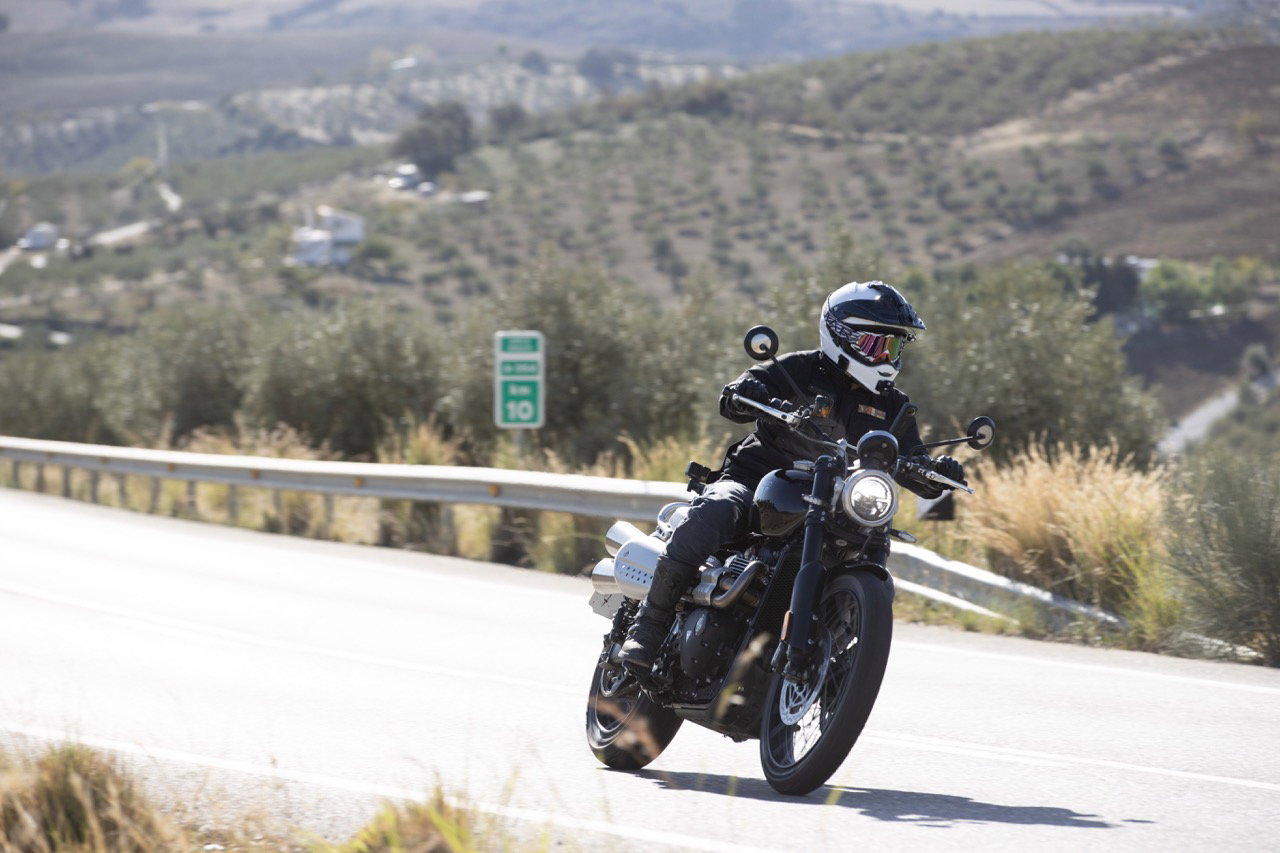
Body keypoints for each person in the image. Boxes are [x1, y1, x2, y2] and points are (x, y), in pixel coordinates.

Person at [618, 280, 966, 671]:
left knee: (874, 553)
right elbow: (735, 399)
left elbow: (911, 460)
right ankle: (648, 627)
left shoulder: (895, 407)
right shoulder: (798, 370)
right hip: (758, 481)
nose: (887, 355)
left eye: (895, 346)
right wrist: (746, 391)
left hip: (838, 505)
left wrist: (936, 472)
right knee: (714, 511)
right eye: (876, 344)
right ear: (841, 336)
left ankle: (833, 665)